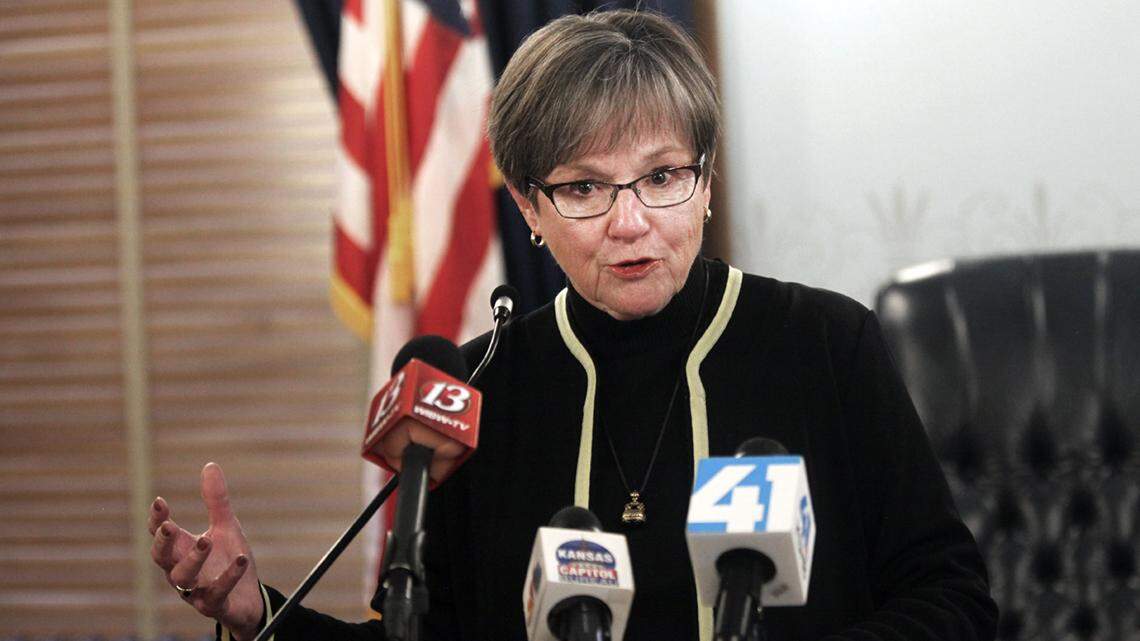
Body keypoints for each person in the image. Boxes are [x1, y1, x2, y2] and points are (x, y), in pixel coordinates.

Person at [148, 9, 998, 641]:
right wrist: (255, 610)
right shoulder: (478, 389)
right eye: (584, 188)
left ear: (706, 182)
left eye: (663, 175)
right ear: (527, 205)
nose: (630, 222)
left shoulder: (825, 343)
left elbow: (950, 596)